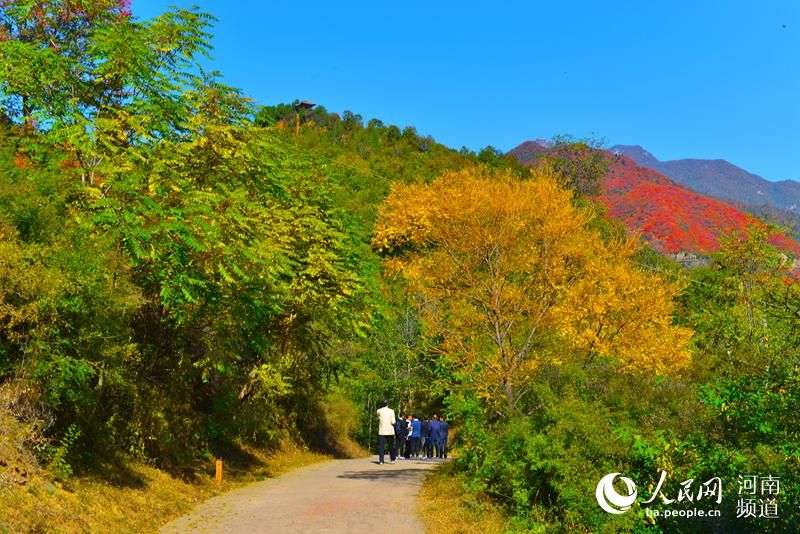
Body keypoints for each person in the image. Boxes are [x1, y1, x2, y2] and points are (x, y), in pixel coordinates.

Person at [376, 399, 396, 464]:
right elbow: (393, 422)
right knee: (391, 446)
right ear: (388, 404)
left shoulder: (379, 411)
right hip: (390, 431)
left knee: (381, 447)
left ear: (382, 404)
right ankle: (392, 459)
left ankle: (381, 461)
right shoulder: (391, 411)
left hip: (382, 431)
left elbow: (378, 417)